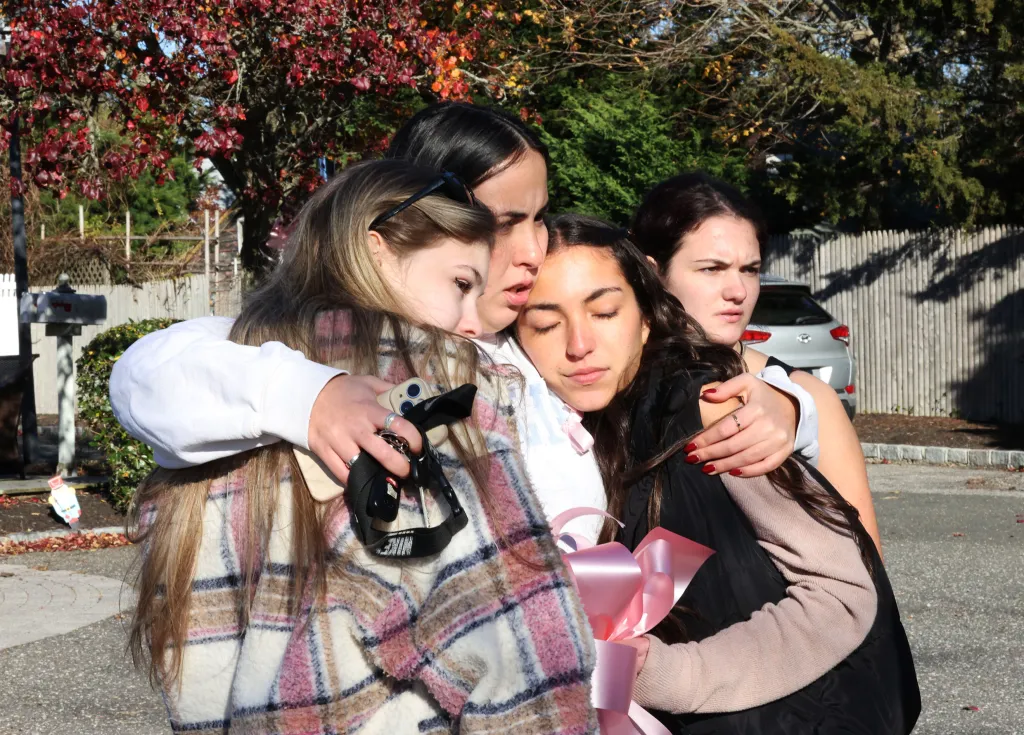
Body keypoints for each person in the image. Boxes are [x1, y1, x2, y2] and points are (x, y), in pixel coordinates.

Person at [110, 103, 812, 541]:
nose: (536, 247)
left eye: (540, 215)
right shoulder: (341, 344)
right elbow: (149, 375)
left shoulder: (524, 349)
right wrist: (312, 396)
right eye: (507, 222)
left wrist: (790, 407)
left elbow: (661, 378)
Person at [128, 160, 599, 734]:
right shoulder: (428, 390)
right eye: (460, 285)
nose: (472, 322)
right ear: (376, 249)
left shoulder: (218, 398)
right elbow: (524, 658)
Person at [515, 213, 920, 734]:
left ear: (644, 316)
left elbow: (843, 591)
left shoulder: (707, 409)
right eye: (545, 324)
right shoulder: (568, 428)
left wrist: (668, 675)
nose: (578, 344)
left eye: (606, 312)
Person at [631, 172, 882, 551]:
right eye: (711, 269)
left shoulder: (810, 397)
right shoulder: (606, 382)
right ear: (653, 272)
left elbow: (865, 565)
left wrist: (795, 410)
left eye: (750, 269)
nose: (738, 291)